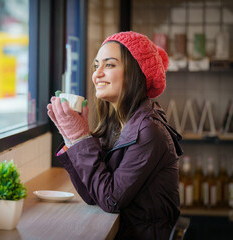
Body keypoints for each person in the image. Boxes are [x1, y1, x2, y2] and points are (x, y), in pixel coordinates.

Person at [47, 31, 183, 240]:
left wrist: (80, 138)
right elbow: (93, 194)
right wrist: (71, 138)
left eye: (109, 65)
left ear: (135, 73)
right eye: (96, 66)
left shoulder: (149, 132)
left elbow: (110, 199)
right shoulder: (116, 125)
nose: (97, 74)